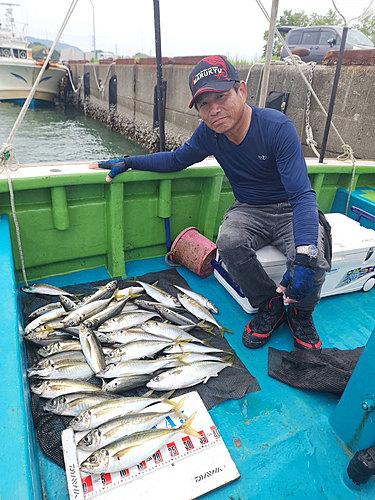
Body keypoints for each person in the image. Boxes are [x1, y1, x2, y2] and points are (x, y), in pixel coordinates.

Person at [89, 55, 331, 351]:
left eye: (221, 96)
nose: (214, 109)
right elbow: (177, 160)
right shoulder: (209, 134)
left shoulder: (277, 127)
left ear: (241, 91)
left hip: (290, 207)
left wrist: (306, 254)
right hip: (249, 209)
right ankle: (269, 303)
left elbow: (303, 195)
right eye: (204, 103)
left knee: (312, 257)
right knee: (228, 243)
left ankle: (300, 313)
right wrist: (129, 162)